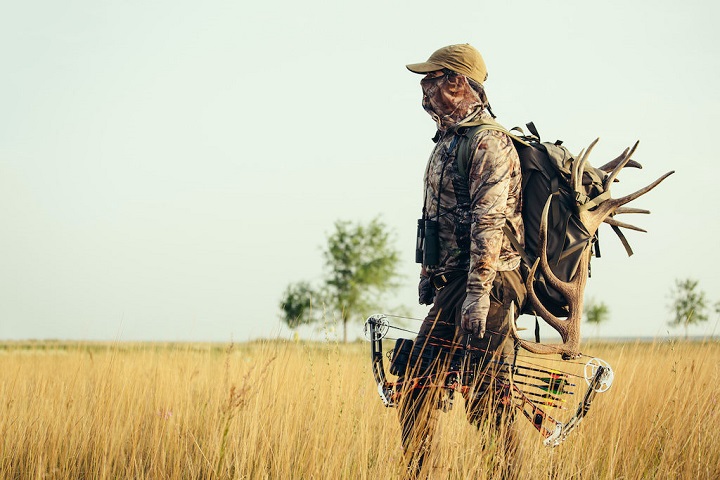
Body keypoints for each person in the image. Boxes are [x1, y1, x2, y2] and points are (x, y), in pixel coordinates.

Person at [400, 43, 527, 477]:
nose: (423, 88)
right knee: (417, 386)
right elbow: (437, 216)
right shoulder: (447, 141)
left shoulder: (488, 142)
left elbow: (489, 224)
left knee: (487, 399)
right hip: (457, 281)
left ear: (457, 82)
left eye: (432, 79)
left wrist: (476, 295)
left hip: (486, 283)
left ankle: (507, 472)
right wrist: (427, 272)